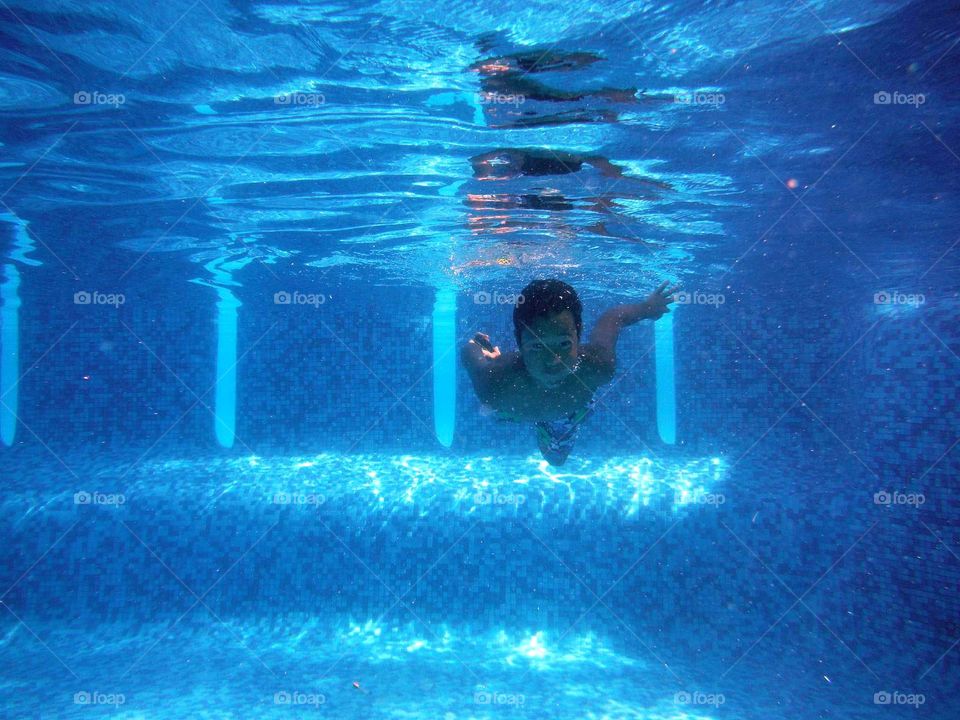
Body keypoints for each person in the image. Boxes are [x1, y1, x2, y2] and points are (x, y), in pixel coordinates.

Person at [460, 278, 678, 465]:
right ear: (518, 341)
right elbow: (469, 352)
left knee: (556, 459)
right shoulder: (494, 384)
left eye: (564, 344)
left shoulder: (597, 366)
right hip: (516, 408)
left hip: (569, 411)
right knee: (496, 413)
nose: (553, 362)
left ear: (578, 334)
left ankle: (544, 422)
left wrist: (646, 308)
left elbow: (614, 318)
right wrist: (478, 346)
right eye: (537, 346)